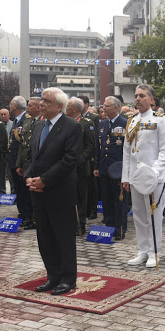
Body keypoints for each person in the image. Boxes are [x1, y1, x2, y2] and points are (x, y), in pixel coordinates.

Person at [25, 87, 82, 296]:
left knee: (63, 238)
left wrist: (44, 180)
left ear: (59, 106)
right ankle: (53, 276)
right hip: (38, 192)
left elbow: (70, 160)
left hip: (60, 191)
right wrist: (29, 177)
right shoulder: (39, 125)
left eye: (46, 101)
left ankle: (68, 279)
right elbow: (32, 155)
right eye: (41, 100)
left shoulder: (71, 127)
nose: (41, 104)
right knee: (45, 237)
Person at [121, 84, 165, 268]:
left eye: (142, 96)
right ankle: (142, 250)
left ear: (151, 99)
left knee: (153, 216)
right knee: (139, 216)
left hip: (153, 177)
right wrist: (125, 177)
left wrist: (155, 171)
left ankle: (154, 252)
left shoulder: (160, 120)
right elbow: (127, 151)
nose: (138, 99)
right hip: (135, 177)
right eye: (136, 96)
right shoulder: (132, 120)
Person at [95, 96, 128, 240]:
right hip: (104, 167)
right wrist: (96, 165)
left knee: (119, 200)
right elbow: (99, 147)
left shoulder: (125, 123)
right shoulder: (102, 124)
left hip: (118, 168)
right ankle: (109, 226)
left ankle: (120, 228)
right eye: (103, 106)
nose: (104, 108)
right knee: (106, 199)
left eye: (107, 106)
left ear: (116, 107)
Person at [65, 97, 95, 236]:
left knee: (81, 197)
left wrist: (79, 160)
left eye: (68, 106)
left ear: (75, 109)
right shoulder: (65, 123)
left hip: (81, 168)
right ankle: (70, 223)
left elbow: (90, 146)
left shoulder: (85, 123)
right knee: (69, 196)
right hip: (66, 167)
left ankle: (81, 225)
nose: (66, 109)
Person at [16, 97, 42, 230]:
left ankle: (37, 219)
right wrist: (19, 164)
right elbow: (22, 144)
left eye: (31, 105)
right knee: (25, 192)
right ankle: (28, 217)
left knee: (36, 192)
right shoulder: (27, 121)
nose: (28, 108)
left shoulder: (43, 121)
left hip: (38, 162)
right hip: (27, 160)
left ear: (39, 108)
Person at [7, 96, 32, 226]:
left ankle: (28, 215)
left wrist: (20, 164)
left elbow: (24, 144)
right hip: (13, 161)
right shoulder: (16, 121)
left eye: (11, 104)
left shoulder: (26, 120)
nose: (9, 107)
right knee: (18, 190)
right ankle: (22, 213)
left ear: (15, 106)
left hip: (21, 163)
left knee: (24, 191)